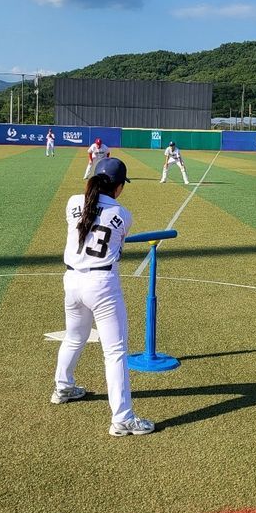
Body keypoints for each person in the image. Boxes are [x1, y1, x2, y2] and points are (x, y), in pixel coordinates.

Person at [53, 157, 155, 437]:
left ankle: (63, 387)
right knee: (115, 352)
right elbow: (117, 246)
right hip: (102, 283)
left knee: (75, 337)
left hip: (72, 280)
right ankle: (122, 418)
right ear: (119, 187)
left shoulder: (73, 201)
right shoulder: (124, 213)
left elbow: (87, 217)